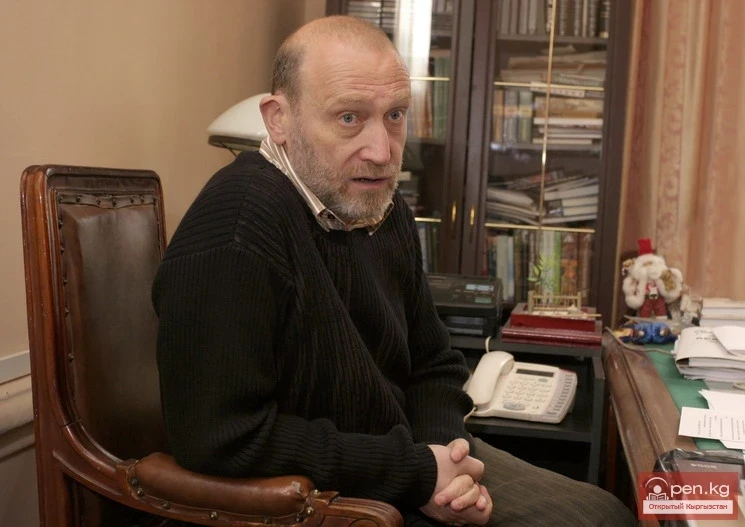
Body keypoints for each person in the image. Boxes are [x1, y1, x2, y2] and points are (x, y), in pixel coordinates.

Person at [152, 15, 637, 527]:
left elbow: (433, 362)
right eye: (349, 118)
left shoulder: (381, 207)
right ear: (279, 119)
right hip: (323, 497)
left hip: (410, 460)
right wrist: (417, 473)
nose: (382, 152)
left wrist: (445, 452)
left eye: (396, 115)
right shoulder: (237, 224)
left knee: (605, 513)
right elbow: (219, 437)